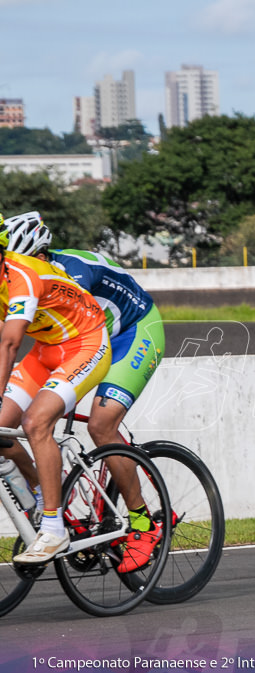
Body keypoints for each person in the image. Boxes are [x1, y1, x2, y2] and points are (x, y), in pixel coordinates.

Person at [2, 211, 167, 571]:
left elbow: (83, 341)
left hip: (131, 333)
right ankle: (48, 487)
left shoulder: (72, 273)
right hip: (61, 346)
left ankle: (142, 523)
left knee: (101, 424)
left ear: (40, 255)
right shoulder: (21, 276)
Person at [0, 216, 113, 564]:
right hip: (46, 350)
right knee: (2, 432)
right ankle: (40, 494)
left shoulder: (22, 274)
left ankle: (54, 530)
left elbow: (9, 343)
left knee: (35, 421)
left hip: (86, 343)